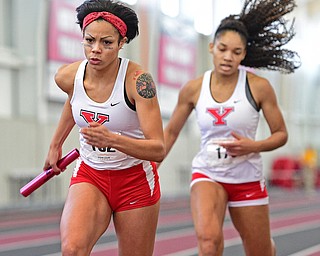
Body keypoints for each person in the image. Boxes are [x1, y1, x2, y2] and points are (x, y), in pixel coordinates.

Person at [160, 0, 300, 255]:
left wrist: (252, 146)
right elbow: (170, 132)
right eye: (223, 49)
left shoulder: (258, 87)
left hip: (246, 176)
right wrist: (152, 166)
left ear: (244, 54)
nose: (228, 57)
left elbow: (281, 134)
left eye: (236, 52)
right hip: (208, 172)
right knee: (209, 242)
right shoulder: (193, 88)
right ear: (212, 48)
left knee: (259, 250)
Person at [43, 0, 165, 255]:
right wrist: (55, 144)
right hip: (92, 173)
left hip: (134, 179)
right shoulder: (67, 76)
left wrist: (112, 139)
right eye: (89, 41)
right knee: (73, 249)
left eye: (107, 43)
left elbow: (158, 149)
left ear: (122, 43)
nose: (95, 50)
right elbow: (73, 101)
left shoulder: (139, 81)